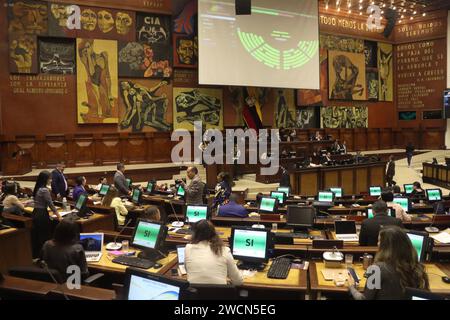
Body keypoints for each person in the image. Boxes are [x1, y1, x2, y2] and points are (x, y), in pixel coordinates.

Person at [349, 226, 429, 300]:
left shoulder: (376, 269)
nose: (377, 244)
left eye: (380, 241)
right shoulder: (418, 267)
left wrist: (352, 287)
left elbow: (365, 299)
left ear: (386, 246)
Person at [185, 220, 243, 285]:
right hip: (219, 294)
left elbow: (188, 271)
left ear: (194, 234)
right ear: (214, 233)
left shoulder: (188, 248)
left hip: (194, 294)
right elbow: (238, 282)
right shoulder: (224, 250)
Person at [32, 171, 61, 258]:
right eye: (50, 178)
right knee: (45, 236)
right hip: (42, 214)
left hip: (36, 213)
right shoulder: (44, 190)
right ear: (45, 179)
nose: (51, 180)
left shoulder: (38, 188)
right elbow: (50, 204)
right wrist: (59, 216)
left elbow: (37, 202)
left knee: (40, 236)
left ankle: (41, 257)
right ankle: (47, 257)